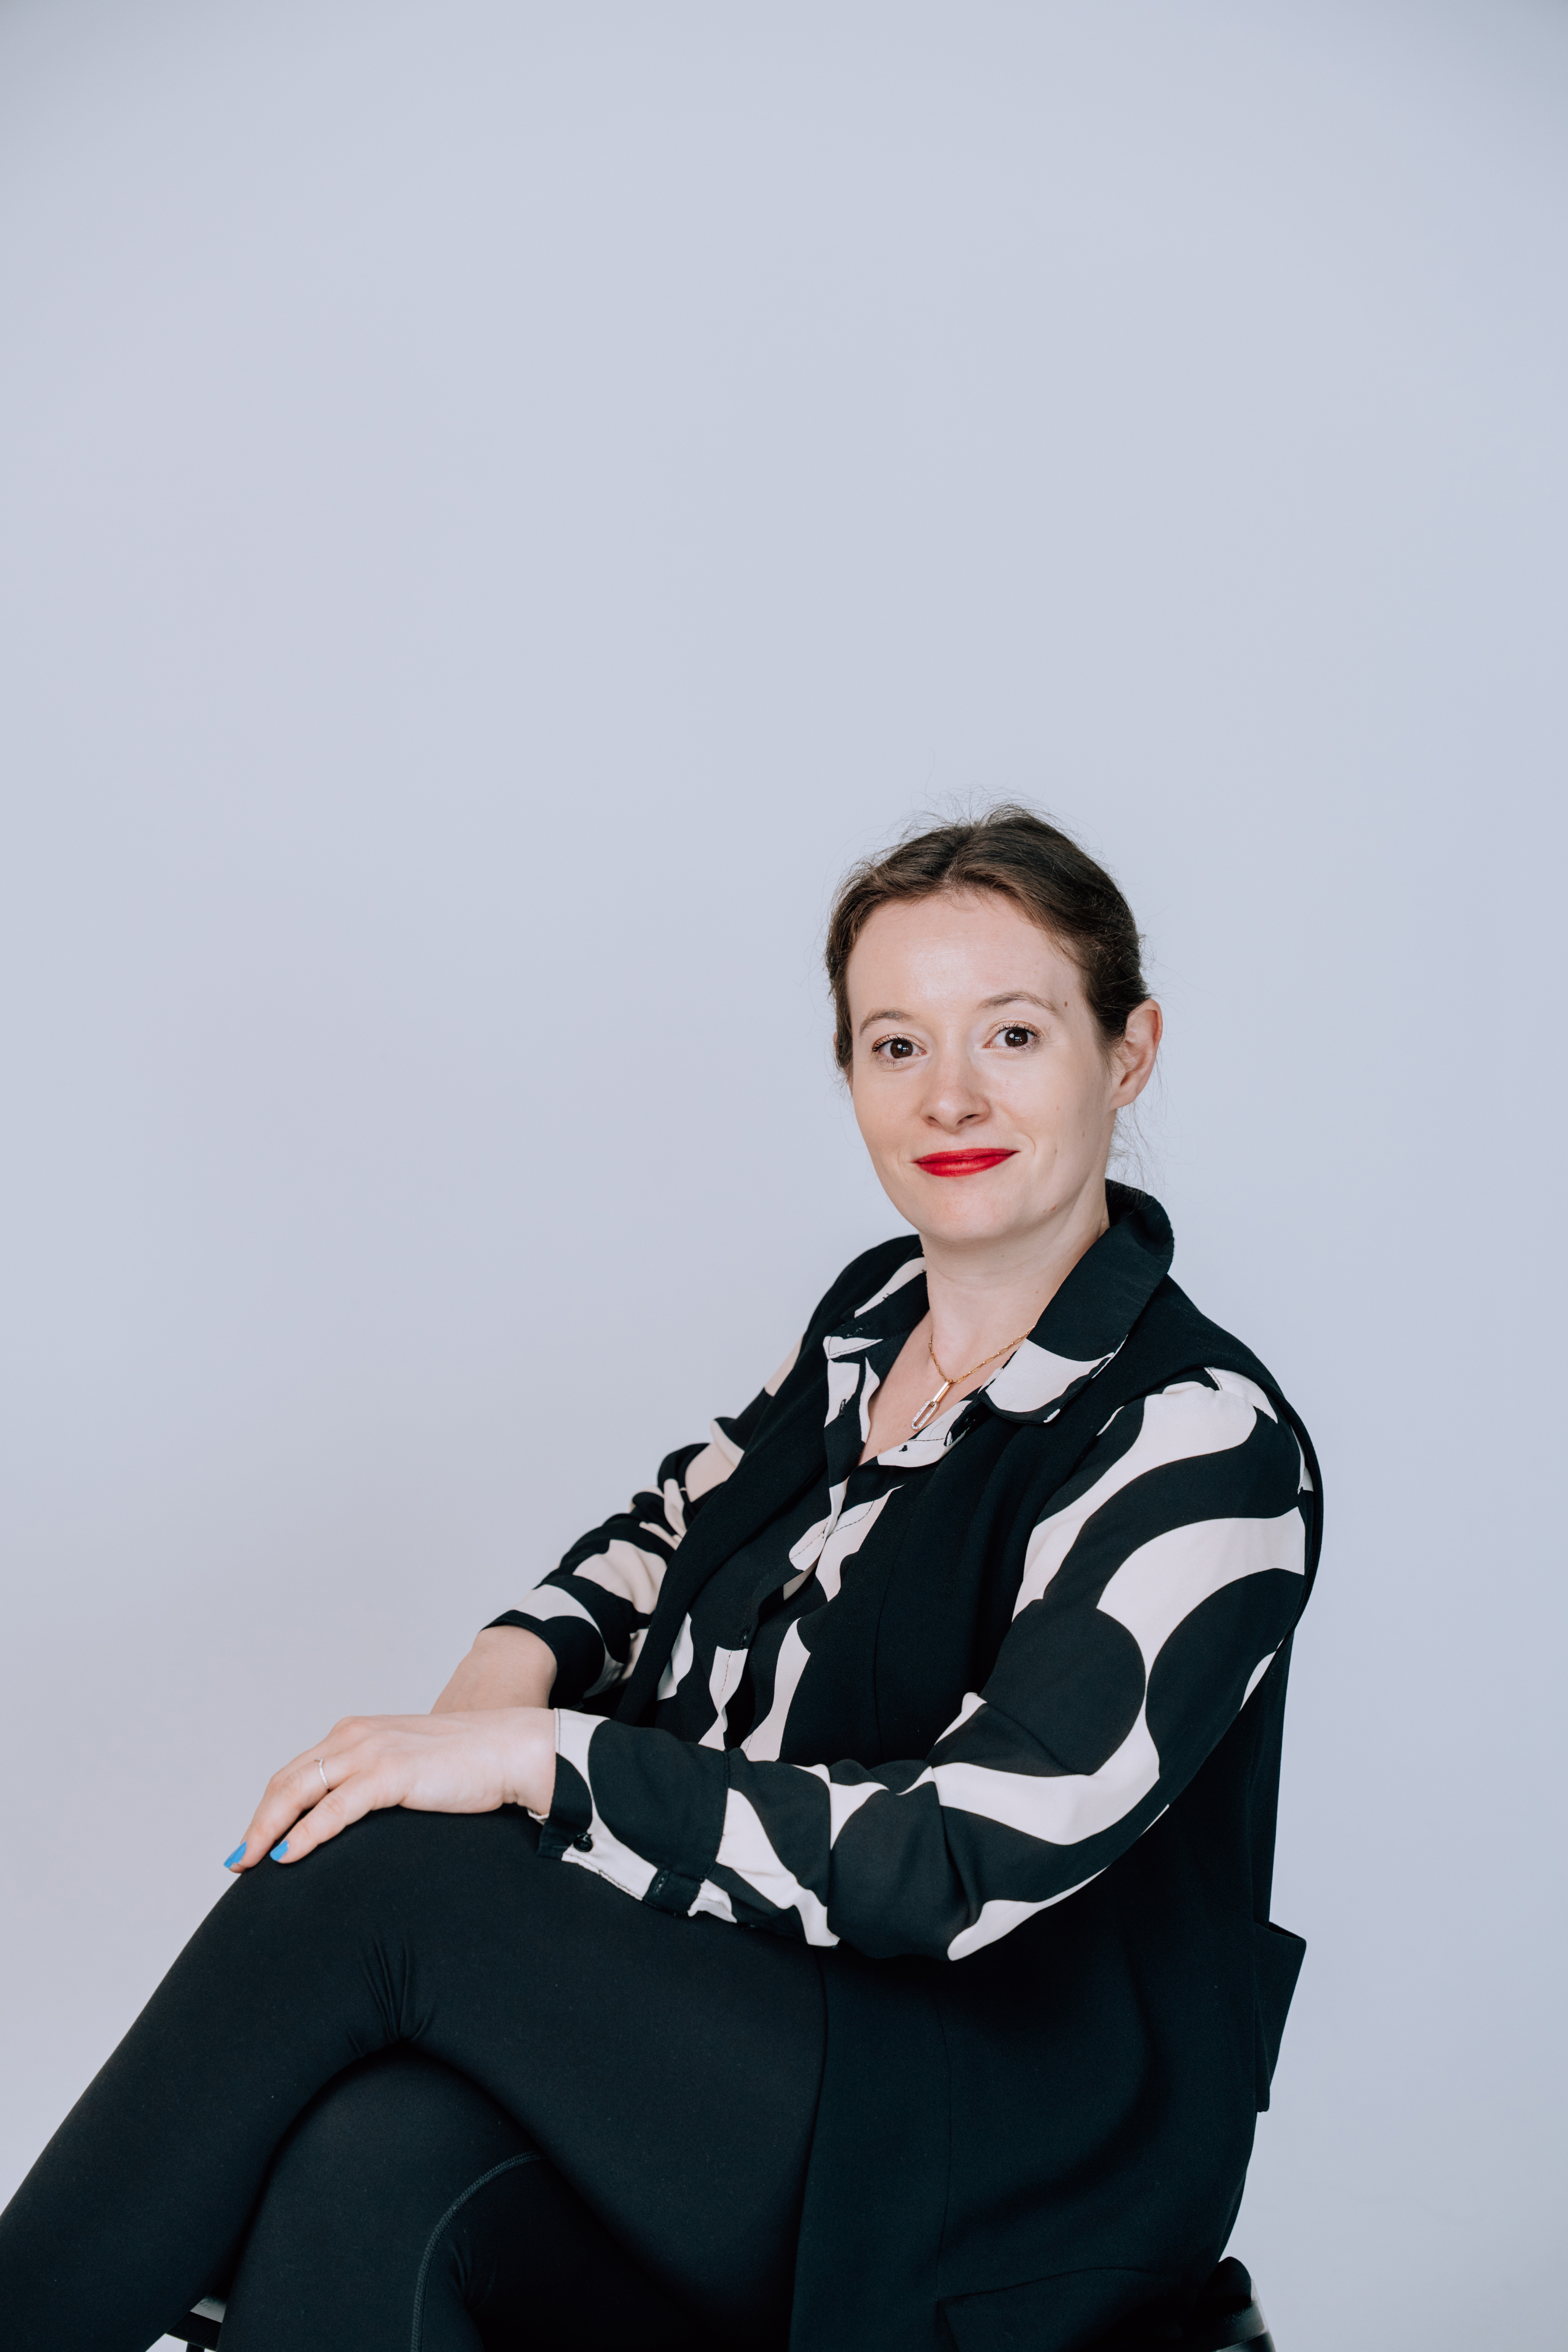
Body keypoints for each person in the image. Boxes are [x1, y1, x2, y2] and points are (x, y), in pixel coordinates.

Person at [0, 807, 1320, 2352]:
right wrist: (516, 1656)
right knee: (379, 2161)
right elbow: (661, 1537)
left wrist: (531, 1764)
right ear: (848, 1077)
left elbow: (952, 1860)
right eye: (895, 1046)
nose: (949, 1094)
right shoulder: (867, 1327)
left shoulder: (1199, 1438)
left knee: (390, 1881)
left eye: (1012, 1035)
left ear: (1129, 1050)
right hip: (756, 2038)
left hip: (997, 2143)